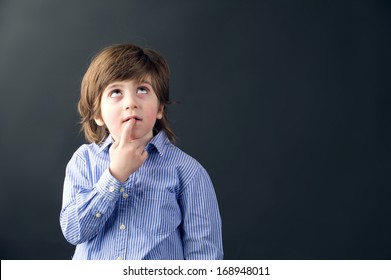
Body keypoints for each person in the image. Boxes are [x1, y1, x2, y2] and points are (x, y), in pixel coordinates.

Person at [59, 44, 223, 260]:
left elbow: (204, 256)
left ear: (160, 109)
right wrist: (115, 176)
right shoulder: (84, 161)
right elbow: (74, 231)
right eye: (116, 92)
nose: (131, 103)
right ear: (98, 114)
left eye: (143, 90)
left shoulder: (188, 172)